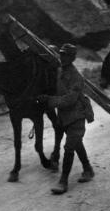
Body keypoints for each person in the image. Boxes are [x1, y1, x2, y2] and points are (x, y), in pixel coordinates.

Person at [38, 43, 95, 195]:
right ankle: (88, 169)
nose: (62, 58)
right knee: (76, 144)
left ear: (73, 58)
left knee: (69, 147)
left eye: (66, 55)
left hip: (77, 116)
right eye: (61, 54)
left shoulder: (76, 77)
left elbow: (69, 100)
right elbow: (56, 92)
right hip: (64, 117)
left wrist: (49, 100)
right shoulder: (60, 72)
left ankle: (63, 181)